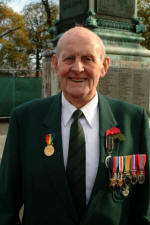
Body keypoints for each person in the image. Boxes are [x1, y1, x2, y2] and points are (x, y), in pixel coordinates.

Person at [0, 26, 150, 225]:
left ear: (104, 66)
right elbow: (5, 206)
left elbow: (145, 206)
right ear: (56, 64)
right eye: (69, 58)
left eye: (88, 59)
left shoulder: (133, 120)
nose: (78, 68)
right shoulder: (25, 120)